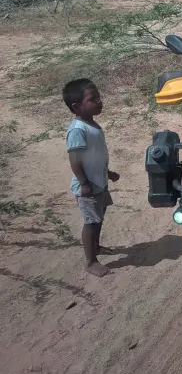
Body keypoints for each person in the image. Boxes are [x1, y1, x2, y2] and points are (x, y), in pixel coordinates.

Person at [63, 78, 120, 277]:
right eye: (92, 99)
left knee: (98, 218)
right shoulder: (78, 130)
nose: (99, 101)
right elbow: (75, 160)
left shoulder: (91, 124)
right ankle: (90, 261)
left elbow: (94, 157)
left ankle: (95, 247)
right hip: (88, 186)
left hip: (99, 183)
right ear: (76, 107)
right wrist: (84, 183)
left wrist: (108, 173)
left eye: (98, 97)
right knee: (91, 222)